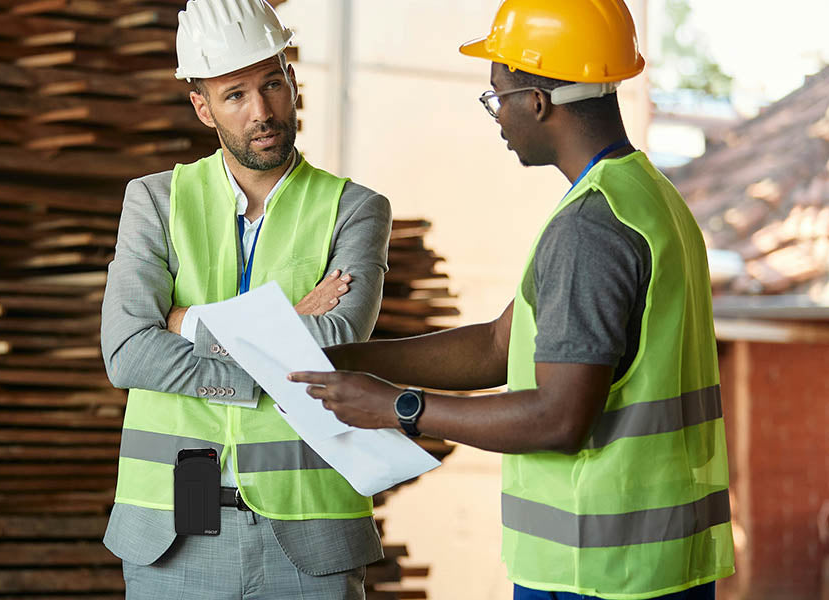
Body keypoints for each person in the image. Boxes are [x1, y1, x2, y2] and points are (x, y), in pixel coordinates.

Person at [290, 1, 735, 599]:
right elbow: (501, 343)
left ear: (538, 101)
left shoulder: (589, 228)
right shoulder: (647, 196)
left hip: (596, 576)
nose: (495, 114)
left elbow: (558, 417)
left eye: (496, 95)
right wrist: (352, 362)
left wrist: (400, 408)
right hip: (656, 565)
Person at [99, 0, 392, 597]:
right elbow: (128, 352)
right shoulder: (155, 201)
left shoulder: (356, 209)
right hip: (173, 526)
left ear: (291, 80)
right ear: (202, 107)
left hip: (311, 531)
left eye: (272, 83)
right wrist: (283, 329)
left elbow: (336, 344)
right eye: (234, 94)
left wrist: (184, 322)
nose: (262, 111)